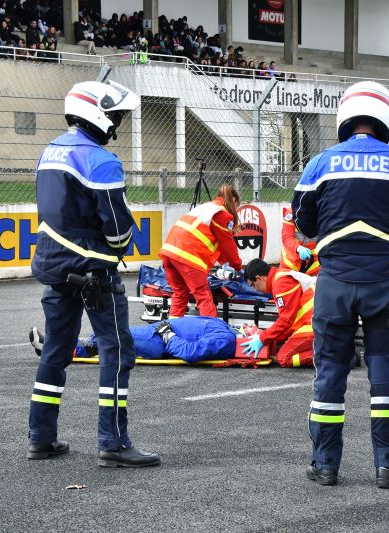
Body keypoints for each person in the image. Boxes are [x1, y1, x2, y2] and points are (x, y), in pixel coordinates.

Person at [292, 81, 389, 488]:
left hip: (334, 283)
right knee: (385, 374)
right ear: (386, 116)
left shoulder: (320, 163)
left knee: (329, 374)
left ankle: (325, 466)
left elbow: (302, 222)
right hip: (382, 283)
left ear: (346, 117)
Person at [26, 80, 161, 469]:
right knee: (117, 352)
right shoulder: (101, 160)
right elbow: (117, 227)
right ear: (96, 112)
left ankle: (41, 438)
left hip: (54, 267)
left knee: (55, 350)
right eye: (115, 116)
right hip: (93, 271)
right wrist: (119, 246)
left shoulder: (49, 153)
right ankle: (113, 443)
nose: (116, 124)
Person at [158, 184, 242, 318]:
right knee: (204, 295)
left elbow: (218, 243)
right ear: (233, 200)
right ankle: (211, 333)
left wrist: (225, 263)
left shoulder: (207, 207)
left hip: (169, 251)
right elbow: (228, 244)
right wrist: (237, 266)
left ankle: (173, 330)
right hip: (187, 255)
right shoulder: (222, 214)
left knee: (180, 294)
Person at [30, 316, 240, 363]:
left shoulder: (226, 338)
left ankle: (53, 347)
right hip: (158, 333)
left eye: (254, 330)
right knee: (109, 336)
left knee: (109, 334)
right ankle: (57, 346)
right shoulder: (227, 330)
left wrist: (168, 334)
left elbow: (191, 353)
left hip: (158, 338)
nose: (252, 326)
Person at [242, 259, 315, 368]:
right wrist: (270, 338)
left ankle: (338, 355)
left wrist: (263, 338)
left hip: (318, 323)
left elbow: (286, 320)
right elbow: (290, 320)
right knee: (282, 347)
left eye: (253, 285)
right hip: (318, 320)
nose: (255, 289)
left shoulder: (281, 283)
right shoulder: (280, 278)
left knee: (285, 358)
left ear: (259, 278)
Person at [280, 207, 320, 276]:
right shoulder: (291, 213)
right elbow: (287, 237)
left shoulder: (323, 215)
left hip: (313, 265)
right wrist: (299, 249)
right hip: (289, 264)